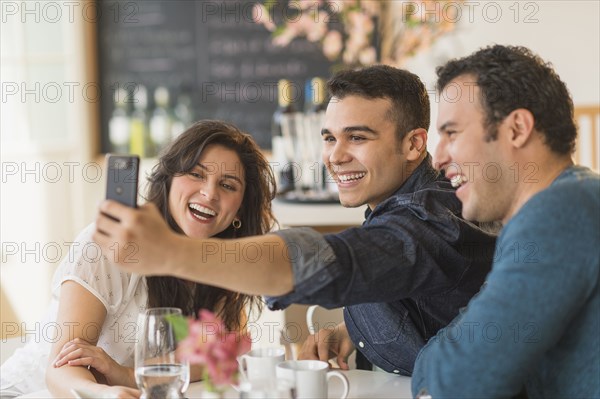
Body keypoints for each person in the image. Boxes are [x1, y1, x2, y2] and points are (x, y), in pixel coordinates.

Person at [93, 65, 497, 376]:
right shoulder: (390, 209)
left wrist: (171, 252)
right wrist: (354, 333)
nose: (335, 156)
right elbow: (400, 279)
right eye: (328, 137)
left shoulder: (436, 214)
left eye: (357, 138)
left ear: (413, 144)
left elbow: (338, 262)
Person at [0, 120, 276, 399]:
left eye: (228, 185)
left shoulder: (222, 262)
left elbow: (221, 353)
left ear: (240, 210)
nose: (209, 193)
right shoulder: (110, 244)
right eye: (195, 174)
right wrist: (106, 394)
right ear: (168, 180)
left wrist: (126, 376)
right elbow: (60, 369)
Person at [411, 45, 600, 398]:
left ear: (516, 128)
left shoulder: (561, 212)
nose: (437, 158)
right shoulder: (573, 200)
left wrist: (431, 378)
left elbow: (462, 380)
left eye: (451, 133)